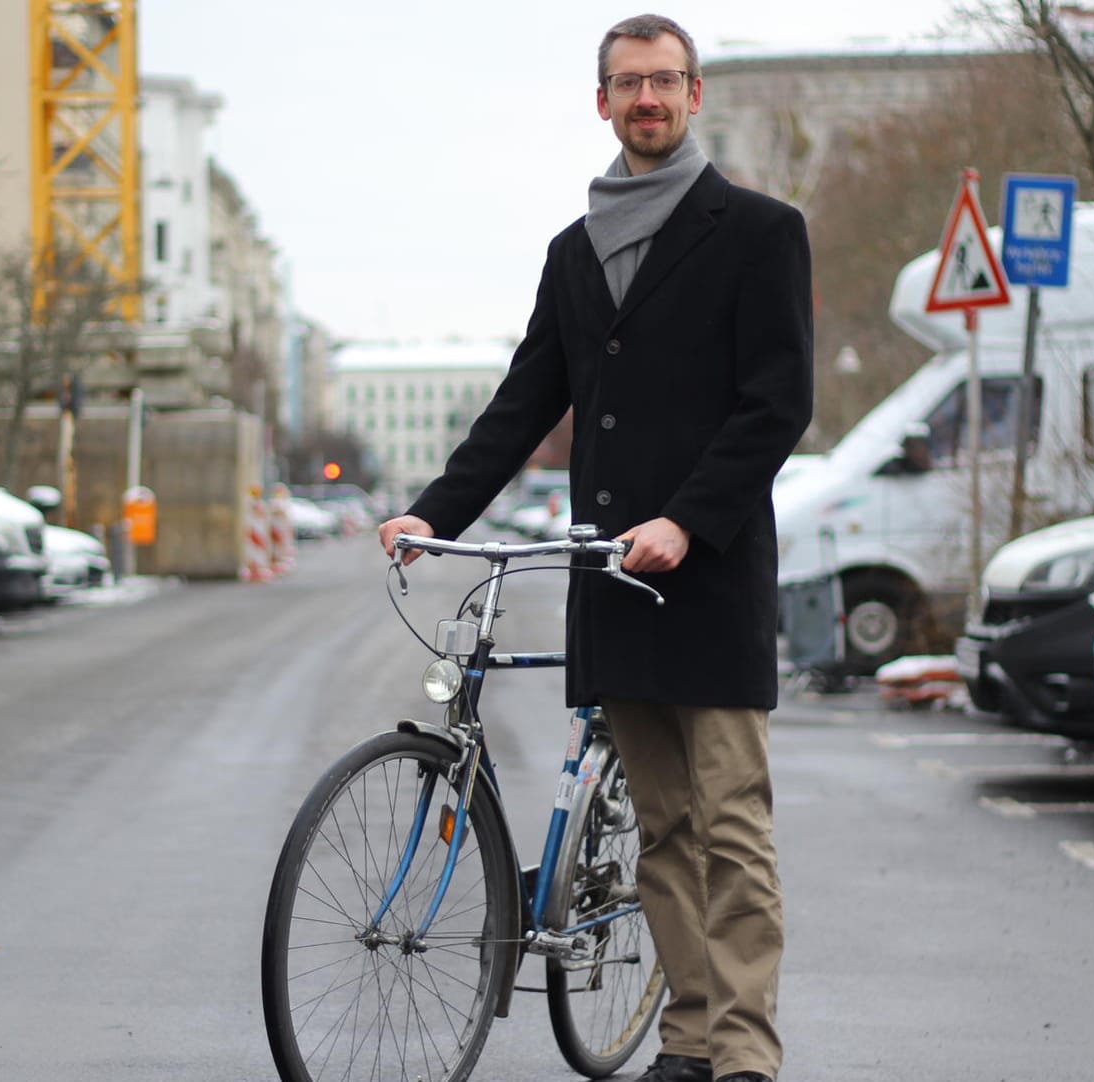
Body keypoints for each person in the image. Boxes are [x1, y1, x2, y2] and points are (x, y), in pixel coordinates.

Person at [376, 14, 812, 1082]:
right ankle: (689, 1037)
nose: (647, 99)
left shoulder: (759, 230)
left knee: (731, 828)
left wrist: (688, 517)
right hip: (607, 582)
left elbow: (777, 403)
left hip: (705, 580)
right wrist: (437, 512)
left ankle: (745, 1052)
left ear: (695, 95)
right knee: (662, 831)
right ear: (602, 101)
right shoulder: (572, 254)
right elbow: (526, 398)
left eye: (664, 81)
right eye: (628, 84)